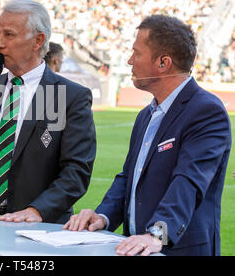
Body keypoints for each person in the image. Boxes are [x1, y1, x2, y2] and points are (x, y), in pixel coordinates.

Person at [64, 15, 232, 256]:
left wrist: (157, 234)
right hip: (136, 248)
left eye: (136, 53)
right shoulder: (146, 114)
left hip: (178, 249)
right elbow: (128, 178)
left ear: (163, 63)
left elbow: (189, 181)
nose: (130, 60)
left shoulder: (206, 111)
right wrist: (102, 217)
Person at [0, 0, 96, 224]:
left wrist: (37, 211)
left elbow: (76, 171)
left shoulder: (69, 96)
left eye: (9, 35)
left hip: (37, 230)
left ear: (38, 40)